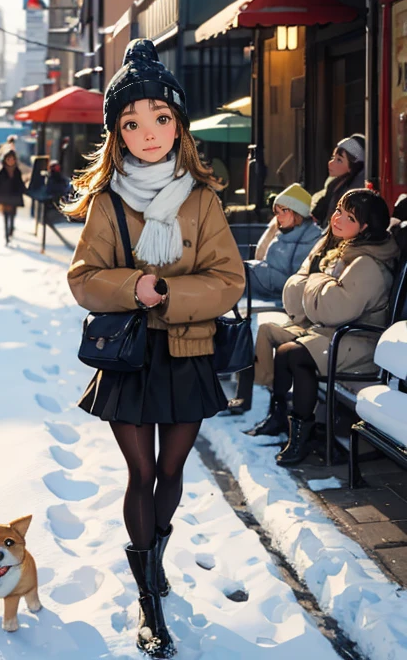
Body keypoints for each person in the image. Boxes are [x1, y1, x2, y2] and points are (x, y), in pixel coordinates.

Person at [66, 39, 245, 658]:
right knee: (141, 472)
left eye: (161, 118)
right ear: (117, 132)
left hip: (188, 352)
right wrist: (128, 285)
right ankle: (148, 601)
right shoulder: (106, 201)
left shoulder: (201, 200)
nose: (148, 132)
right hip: (131, 358)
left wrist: (163, 290)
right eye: (132, 122)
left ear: (179, 125)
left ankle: (155, 552)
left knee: (172, 471)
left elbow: (229, 281)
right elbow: (84, 278)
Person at [247, 189, 399, 466]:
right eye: (339, 210)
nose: (337, 218)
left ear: (364, 227)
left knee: (293, 353)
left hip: (358, 341)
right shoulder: (344, 248)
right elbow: (305, 289)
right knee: (281, 343)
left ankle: (301, 438)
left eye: (348, 216)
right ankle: (282, 417)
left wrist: (315, 280)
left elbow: (336, 308)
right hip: (335, 332)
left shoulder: (366, 263)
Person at [223, 184, 322, 415]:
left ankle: (250, 396)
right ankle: (241, 393)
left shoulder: (309, 239)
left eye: (282, 211)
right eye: (276, 211)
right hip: (267, 292)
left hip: (285, 301)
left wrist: (250, 270)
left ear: (296, 213)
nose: (276, 217)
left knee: (248, 327)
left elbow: (289, 279)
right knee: (238, 321)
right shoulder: (286, 232)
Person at [310, 134, 365, 228]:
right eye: (332, 158)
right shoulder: (334, 183)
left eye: (339, 160)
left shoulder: (354, 190)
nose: (331, 163)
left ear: (352, 167)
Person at [0, 148, 27, 245]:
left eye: (12, 159)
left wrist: (25, 190)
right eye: (8, 159)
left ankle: (11, 229)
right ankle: (6, 234)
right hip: (4, 196)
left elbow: (20, 184)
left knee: (12, 215)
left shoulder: (17, 171)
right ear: (5, 160)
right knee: (5, 216)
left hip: (14, 196)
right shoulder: (2, 172)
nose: (11, 161)